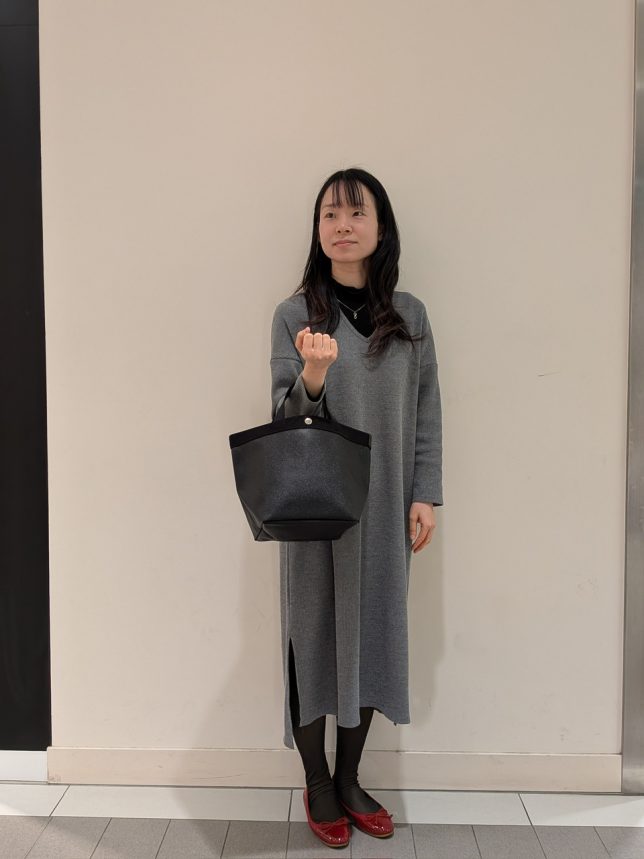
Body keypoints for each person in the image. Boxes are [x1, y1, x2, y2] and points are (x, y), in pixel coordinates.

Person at [270, 167, 443, 846]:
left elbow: (427, 409)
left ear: (381, 226)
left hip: (385, 507)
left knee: (373, 635)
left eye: (356, 213)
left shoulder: (411, 316)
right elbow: (282, 421)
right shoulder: (295, 316)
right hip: (315, 514)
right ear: (317, 230)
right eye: (330, 215)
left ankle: (349, 778)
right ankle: (316, 781)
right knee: (313, 638)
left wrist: (425, 490)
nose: (342, 226)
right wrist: (312, 375)